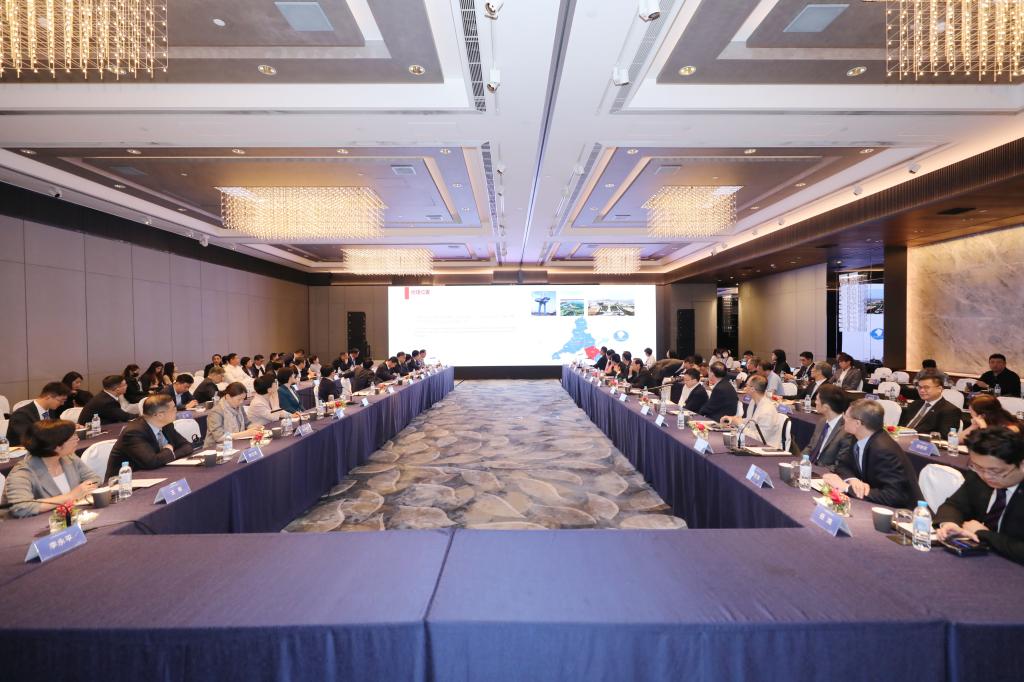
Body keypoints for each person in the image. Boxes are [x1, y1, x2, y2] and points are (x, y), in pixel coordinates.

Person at [935, 427, 1024, 564]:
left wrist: (984, 534)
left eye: (995, 471)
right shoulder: (978, 475)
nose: (986, 476)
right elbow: (954, 505)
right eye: (978, 467)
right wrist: (951, 524)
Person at [823, 399, 921, 508]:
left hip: (904, 512)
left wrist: (846, 488)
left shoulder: (884, 451)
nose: (843, 419)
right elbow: (843, 465)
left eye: (846, 416)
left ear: (857, 423)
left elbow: (893, 496)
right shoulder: (859, 436)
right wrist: (853, 480)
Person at [2, 419, 100, 517]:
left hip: (70, 516)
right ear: (57, 446)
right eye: (72, 437)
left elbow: (95, 479)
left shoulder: (69, 457)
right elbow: (21, 507)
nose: (77, 439)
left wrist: (85, 488)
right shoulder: (22, 473)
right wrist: (70, 496)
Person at [105, 394, 194, 479]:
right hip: (125, 482)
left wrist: (171, 454)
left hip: (156, 473)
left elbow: (187, 446)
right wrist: (168, 451)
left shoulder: (167, 425)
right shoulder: (134, 432)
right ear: (160, 415)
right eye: (173, 408)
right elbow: (151, 462)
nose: (176, 410)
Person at [722, 375, 784, 449]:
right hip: (752, 444)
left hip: (766, 448)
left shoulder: (767, 411)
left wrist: (740, 425)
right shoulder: (753, 402)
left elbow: (760, 439)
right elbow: (749, 421)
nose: (745, 388)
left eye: (747, 385)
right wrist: (732, 419)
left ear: (752, 389)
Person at [801, 385, 854, 467]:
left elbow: (839, 465)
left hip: (824, 471)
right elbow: (810, 447)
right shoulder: (822, 421)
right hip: (809, 467)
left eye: (817, 400)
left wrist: (817, 470)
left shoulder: (846, 431)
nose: (815, 402)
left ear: (826, 407)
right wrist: (802, 460)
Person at [898, 369, 963, 435]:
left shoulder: (950, 411)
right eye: (919, 387)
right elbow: (901, 426)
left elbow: (944, 436)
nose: (922, 390)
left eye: (926, 387)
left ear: (939, 389)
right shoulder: (915, 404)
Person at [7, 382, 72, 447]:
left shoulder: (51, 410)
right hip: (23, 450)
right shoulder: (21, 415)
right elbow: (29, 439)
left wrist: (68, 428)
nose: (62, 404)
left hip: (46, 447)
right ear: (48, 397)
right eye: (61, 400)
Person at [203, 383, 263, 449]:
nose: (241, 402)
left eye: (243, 399)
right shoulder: (216, 412)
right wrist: (245, 433)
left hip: (236, 443)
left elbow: (247, 424)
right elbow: (219, 437)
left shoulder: (239, 407)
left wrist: (254, 427)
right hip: (215, 448)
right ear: (228, 396)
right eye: (239, 399)